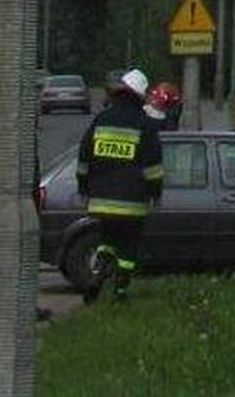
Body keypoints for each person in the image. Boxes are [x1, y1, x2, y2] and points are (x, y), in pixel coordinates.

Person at [75, 67, 164, 303]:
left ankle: (97, 274)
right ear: (140, 95)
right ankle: (120, 292)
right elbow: (153, 168)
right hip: (132, 202)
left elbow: (84, 157)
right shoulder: (144, 124)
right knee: (128, 248)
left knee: (107, 240)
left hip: (100, 200)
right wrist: (155, 192)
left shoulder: (101, 119)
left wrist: (84, 187)